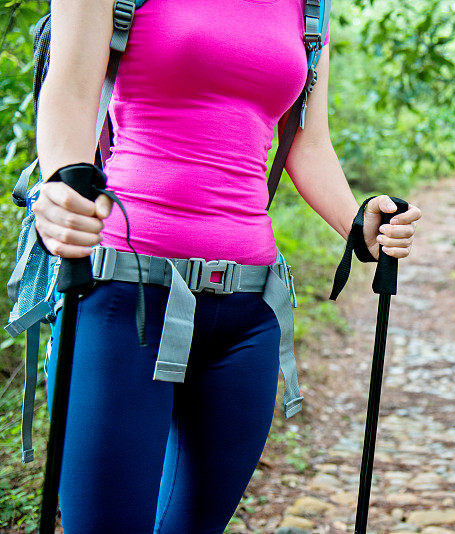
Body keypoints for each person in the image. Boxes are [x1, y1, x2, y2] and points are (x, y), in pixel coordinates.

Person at [31, 0, 422, 531]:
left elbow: (308, 140)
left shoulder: (311, 7)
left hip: (247, 314)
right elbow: (72, 84)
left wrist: (359, 223)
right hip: (126, 295)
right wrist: (62, 184)